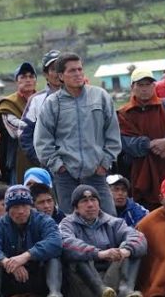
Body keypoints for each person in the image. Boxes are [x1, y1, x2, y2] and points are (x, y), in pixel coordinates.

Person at [35, 52, 121, 216]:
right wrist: (59, 167)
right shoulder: (52, 104)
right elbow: (42, 141)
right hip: (66, 177)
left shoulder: (100, 97)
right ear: (61, 75)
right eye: (72, 71)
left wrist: (104, 163)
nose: (78, 74)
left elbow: (113, 133)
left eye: (80, 69)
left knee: (109, 220)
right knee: (71, 225)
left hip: (97, 173)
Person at [118, 68, 165, 208]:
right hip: (140, 174)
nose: (145, 89)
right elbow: (126, 143)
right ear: (132, 87)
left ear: (154, 86)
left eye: (148, 84)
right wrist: (152, 145)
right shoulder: (124, 113)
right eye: (140, 85)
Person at [60, 184, 147, 297]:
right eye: (84, 201)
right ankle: (102, 290)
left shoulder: (114, 222)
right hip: (84, 281)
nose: (90, 205)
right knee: (78, 253)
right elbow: (66, 243)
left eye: (93, 200)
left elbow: (139, 238)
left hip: (111, 276)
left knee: (131, 247)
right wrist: (98, 254)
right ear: (76, 207)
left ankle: (126, 289)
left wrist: (125, 251)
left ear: (99, 204)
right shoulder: (67, 223)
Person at [0, 185, 63, 297]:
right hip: (10, 277)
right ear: (8, 209)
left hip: (38, 274)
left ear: (30, 206)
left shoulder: (43, 220)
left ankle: (54, 293)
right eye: (15, 207)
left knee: (53, 256)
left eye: (24, 206)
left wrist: (26, 256)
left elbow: (55, 242)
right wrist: (6, 262)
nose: (20, 211)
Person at [0, 62, 38, 185]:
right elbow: (16, 130)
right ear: (16, 81)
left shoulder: (44, 99)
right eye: (23, 77)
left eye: (31, 76)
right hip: (19, 158)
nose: (28, 80)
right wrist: (41, 128)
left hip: (44, 156)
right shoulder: (8, 103)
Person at [20, 50, 62, 166]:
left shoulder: (78, 97)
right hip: (49, 166)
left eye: (60, 68)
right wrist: (42, 160)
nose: (58, 73)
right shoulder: (37, 100)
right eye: (53, 69)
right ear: (45, 74)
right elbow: (25, 133)